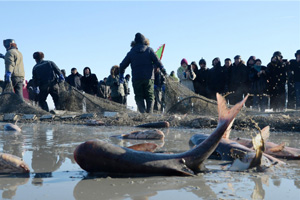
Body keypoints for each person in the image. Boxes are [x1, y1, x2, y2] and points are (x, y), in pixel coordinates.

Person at [119, 32, 166, 113]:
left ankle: (143, 114)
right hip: (149, 78)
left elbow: (122, 65)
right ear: (144, 41)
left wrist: (121, 75)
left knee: (139, 97)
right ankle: (149, 114)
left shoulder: (131, 52)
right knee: (150, 97)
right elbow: (157, 61)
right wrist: (163, 69)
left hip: (137, 79)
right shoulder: (149, 50)